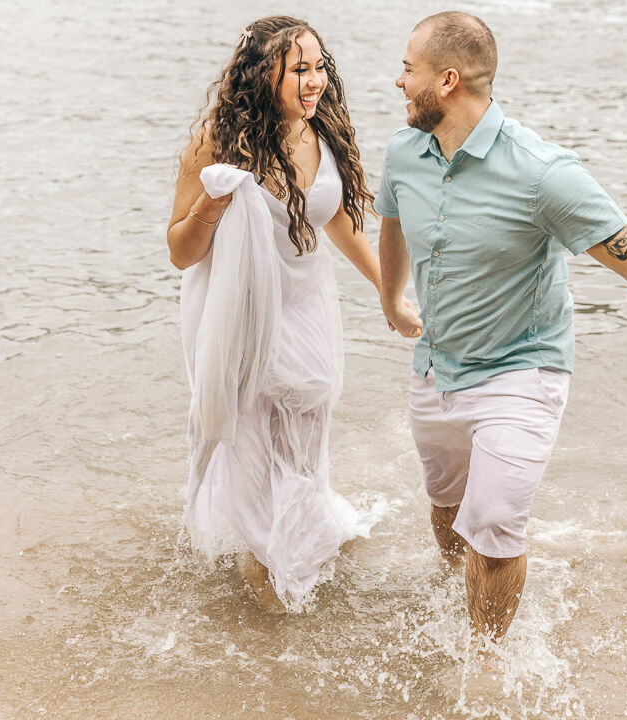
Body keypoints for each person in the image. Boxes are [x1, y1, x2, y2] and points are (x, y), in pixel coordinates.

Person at [377, 12, 627, 646]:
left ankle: (488, 664)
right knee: (449, 511)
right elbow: (392, 220)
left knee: (496, 522)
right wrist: (392, 299)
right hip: (437, 365)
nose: (398, 81)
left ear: (446, 81)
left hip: (522, 368)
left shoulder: (544, 175)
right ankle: (455, 610)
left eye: (407, 69)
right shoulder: (404, 151)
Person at [166, 15, 411, 607]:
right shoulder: (216, 142)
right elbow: (179, 252)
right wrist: (213, 198)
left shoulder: (321, 128)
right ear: (261, 76)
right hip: (238, 312)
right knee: (248, 439)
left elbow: (341, 223)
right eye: (299, 69)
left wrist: (392, 298)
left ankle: (300, 533)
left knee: (305, 431)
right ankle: (264, 577)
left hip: (306, 308)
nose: (315, 81)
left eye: (319, 66)